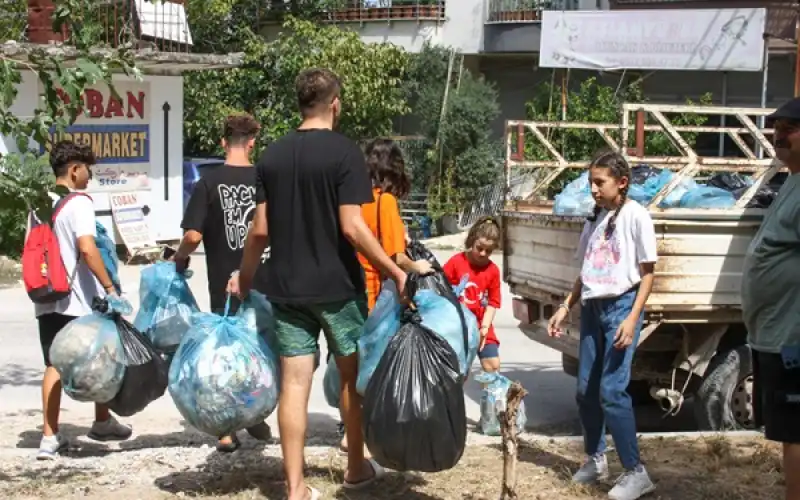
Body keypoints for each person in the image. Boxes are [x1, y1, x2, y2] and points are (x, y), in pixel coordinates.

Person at [228, 68, 407, 500]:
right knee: (350, 380)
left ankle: (295, 488)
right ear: (335, 104)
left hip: (287, 289)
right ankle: (356, 470)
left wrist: (246, 278)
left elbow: (259, 230)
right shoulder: (345, 153)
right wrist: (393, 269)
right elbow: (353, 227)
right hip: (339, 288)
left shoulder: (271, 155)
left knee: (294, 385)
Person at [547, 151, 657, 500]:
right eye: (591, 182)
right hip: (593, 309)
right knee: (585, 389)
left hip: (622, 306)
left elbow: (648, 274)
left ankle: (636, 472)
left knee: (612, 391)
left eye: (600, 182)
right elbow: (587, 271)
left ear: (621, 182)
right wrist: (566, 306)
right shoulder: (594, 219)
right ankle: (595, 459)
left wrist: (631, 317)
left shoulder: (636, 216)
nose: (593, 189)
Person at [173, 113, 272, 452]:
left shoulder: (208, 182)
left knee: (226, 355)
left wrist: (179, 257)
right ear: (253, 141)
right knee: (260, 350)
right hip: (266, 279)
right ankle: (256, 413)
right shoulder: (266, 179)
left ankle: (227, 430)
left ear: (222, 142)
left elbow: (193, 234)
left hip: (224, 285)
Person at [34, 141, 132, 460]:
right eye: (88, 169)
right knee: (98, 358)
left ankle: (55, 435)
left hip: (48, 295)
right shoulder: (79, 202)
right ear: (74, 169)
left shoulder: (39, 203)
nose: (90, 176)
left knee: (53, 362)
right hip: (78, 300)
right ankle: (93, 423)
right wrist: (110, 289)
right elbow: (87, 248)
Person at [335, 137, 432, 453]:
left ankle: (346, 427)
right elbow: (396, 256)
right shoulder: (385, 201)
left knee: (353, 367)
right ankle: (368, 432)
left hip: (349, 292)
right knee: (376, 366)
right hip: (378, 298)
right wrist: (419, 265)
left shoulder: (352, 200)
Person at [742, 97, 800, 500]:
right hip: (774, 336)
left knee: (796, 433)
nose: (779, 135)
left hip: (793, 339)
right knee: (785, 432)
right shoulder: (791, 179)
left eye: (790, 128)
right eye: (776, 128)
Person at [442, 216, 502, 374]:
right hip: (457, 325)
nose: (483, 253)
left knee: (493, 365)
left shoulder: (493, 271)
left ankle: (493, 398)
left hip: (481, 324)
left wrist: (484, 328)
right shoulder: (456, 262)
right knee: (457, 371)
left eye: (488, 250)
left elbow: (493, 302)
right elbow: (440, 289)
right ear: (472, 241)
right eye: (479, 248)